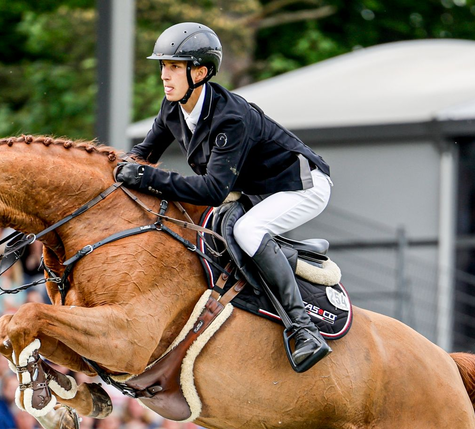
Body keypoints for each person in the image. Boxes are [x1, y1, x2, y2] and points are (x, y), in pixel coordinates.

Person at [118, 22, 332, 369]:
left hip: (301, 185)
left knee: (247, 231)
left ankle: (303, 330)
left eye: (173, 66)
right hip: (259, 189)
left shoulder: (230, 117)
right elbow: (144, 154)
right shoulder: (173, 106)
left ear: (200, 72)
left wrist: (148, 177)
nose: (164, 75)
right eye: (163, 66)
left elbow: (214, 190)